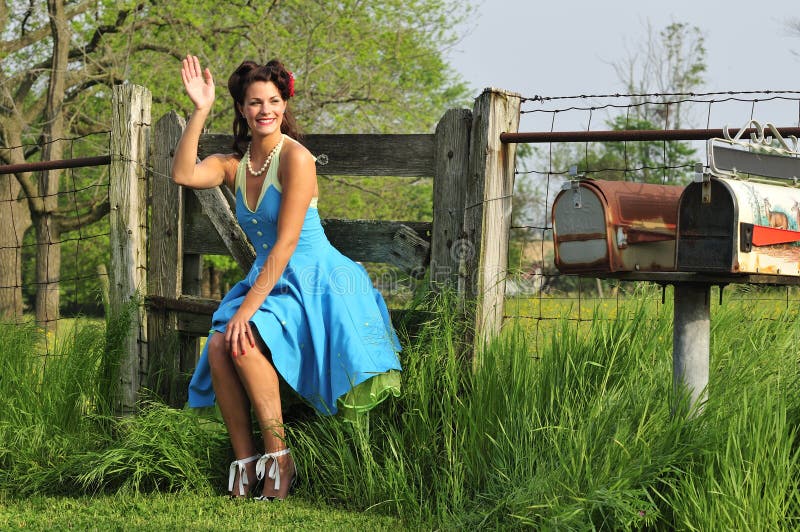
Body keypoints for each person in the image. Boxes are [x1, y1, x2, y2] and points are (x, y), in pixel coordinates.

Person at [172, 55, 402, 501]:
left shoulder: (297, 159)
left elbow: (286, 245)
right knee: (219, 344)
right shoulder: (233, 166)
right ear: (241, 108)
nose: (265, 110)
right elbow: (182, 173)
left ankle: (280, 457)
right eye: (254, 102)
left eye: (273, 101)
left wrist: (245, 313)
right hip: (271, 277)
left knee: (243, 337)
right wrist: (200, 109)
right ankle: (244, 464)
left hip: (315, 278)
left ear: (284, 104)